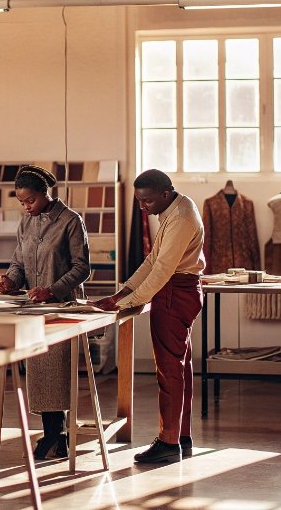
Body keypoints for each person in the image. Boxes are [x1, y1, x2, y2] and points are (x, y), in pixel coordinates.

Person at [92, 169, 205, 463]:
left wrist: (128, 302)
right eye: (140, 202)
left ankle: (168, 444)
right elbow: (153, 259)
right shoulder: (176, 207)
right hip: (179, 290)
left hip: (174, 292)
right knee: (180, 369)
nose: (144, 208)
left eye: (148, 202)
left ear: (165, 194)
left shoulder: (179, 218)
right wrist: (121, 293)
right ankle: (181, 437)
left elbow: (162, 271)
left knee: (170, 371)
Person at [0, 165, 90, 459]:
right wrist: (11, 279)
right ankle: (55, 435)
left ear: (45, 194)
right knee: (38, 372)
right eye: (22, 202)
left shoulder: (71, 221)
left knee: (56, 372)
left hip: (61, 307)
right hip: (34, 309)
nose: (26, 207)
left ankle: (54, 434)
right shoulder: (26, 223)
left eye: (30, 201)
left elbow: (82, 267)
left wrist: (53, 289)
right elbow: (19, 262)